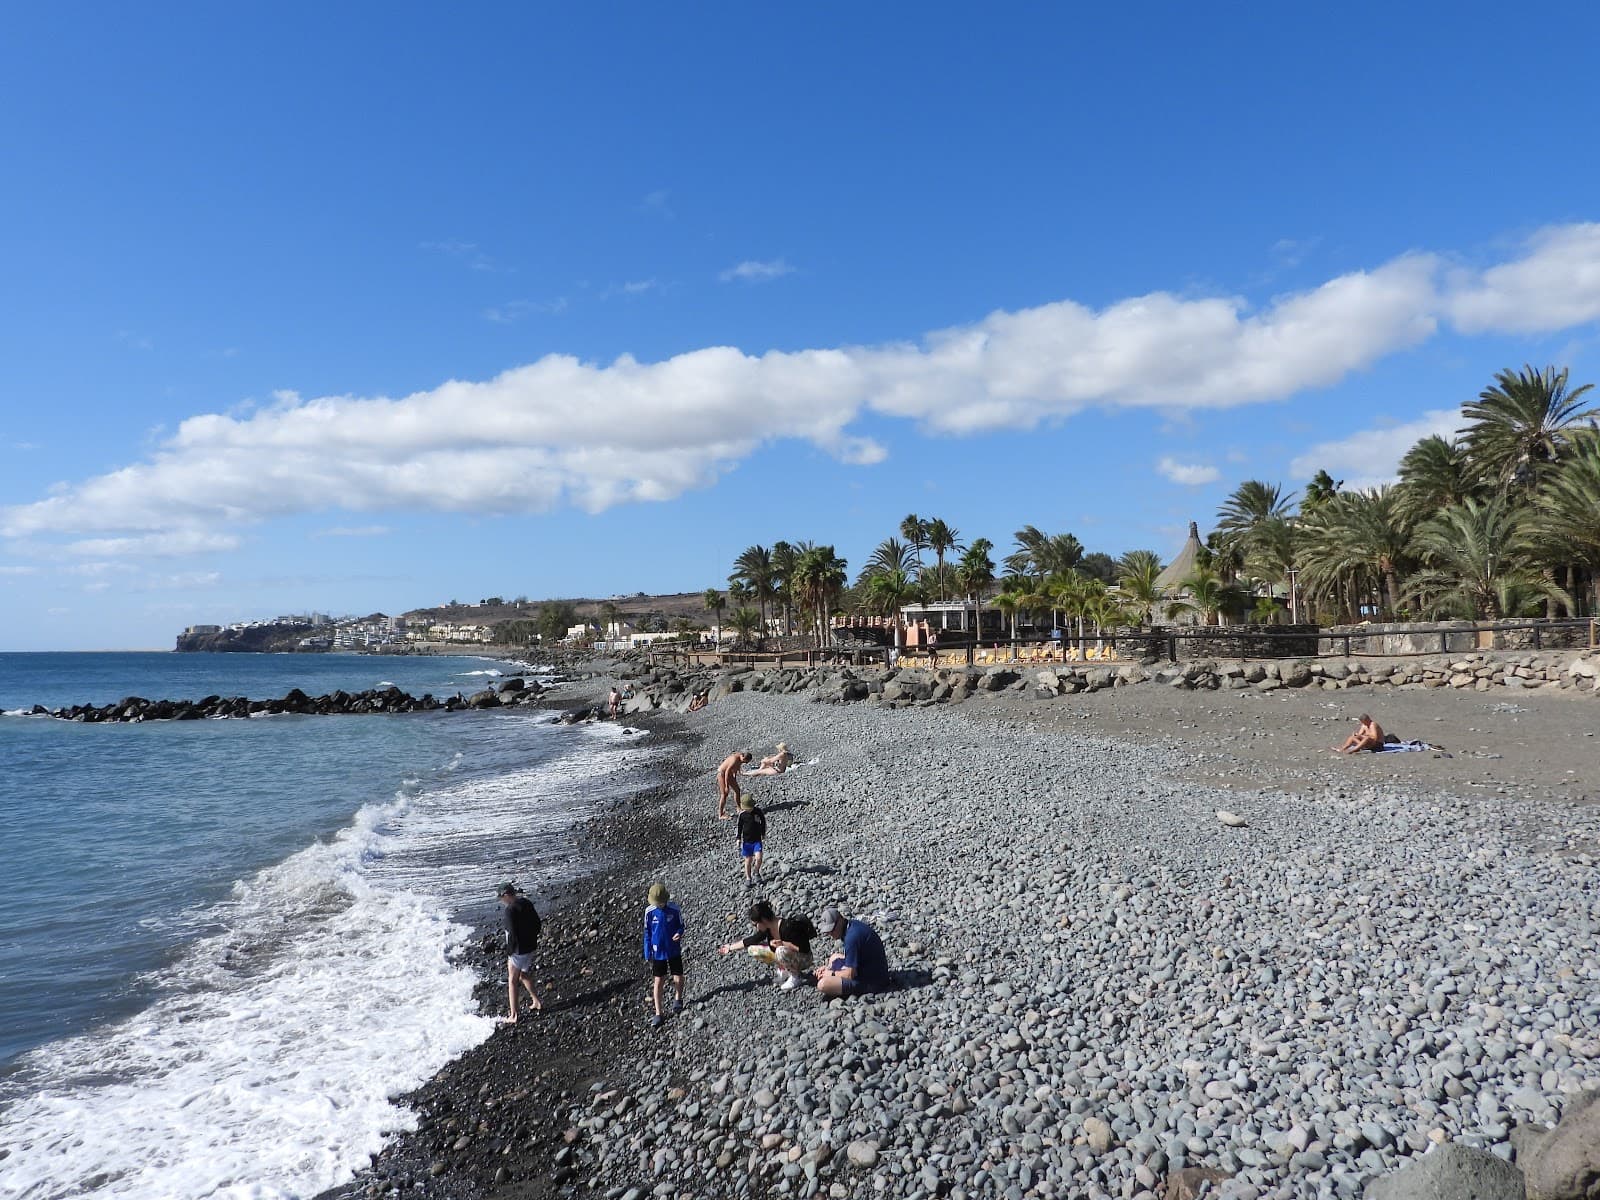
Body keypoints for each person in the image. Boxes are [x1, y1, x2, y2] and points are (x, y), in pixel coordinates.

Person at [717, 899, 815, 990]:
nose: (756, 927)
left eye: (755, 925)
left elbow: (804, 949)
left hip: (804, 959)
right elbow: (751, 940)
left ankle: (796, 976)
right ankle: (786, 969)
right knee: (753, 949)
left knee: (780, 951)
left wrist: (782, 943)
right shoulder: (767, 929)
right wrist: (730, 947)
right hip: (790, 956)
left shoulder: (788, 927)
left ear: (763, 920)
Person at [814, 907, 890, 998]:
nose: (830, 933)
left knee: (822, 985)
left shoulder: (852, 938)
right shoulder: (851, 925)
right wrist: (828, 969)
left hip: (873, 981)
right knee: (834, 957)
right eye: (828, 931)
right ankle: (829, 973)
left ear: (841, 919)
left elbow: (850, 974)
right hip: (867, 966)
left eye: (832, 929)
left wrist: (831, 974)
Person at [496, 882, 543, 1023]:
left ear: (506, 895)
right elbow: (537, 924)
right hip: (530, 946)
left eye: (501, 898)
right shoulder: (526, 902)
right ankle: (537, 1002)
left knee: (512, 980)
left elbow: (512, 933)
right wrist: (532, 938)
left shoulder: (510, 910)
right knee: (523, 974)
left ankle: (514, 1015)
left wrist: (510, 952)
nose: (501, 901)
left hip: (518, 950)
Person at [642, 882, 685, 1028]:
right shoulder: (649, 912)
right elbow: (647, 932)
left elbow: (681, 926)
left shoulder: (674, 909)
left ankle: (678, 999)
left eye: (660, 902)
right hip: (657, 950)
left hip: (673, 949)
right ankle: (658, 1013)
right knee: (658, 980)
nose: (658, 905)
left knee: (677, 975)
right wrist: (647, 951)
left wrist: (679, 933)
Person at [735, 794, 767, 885]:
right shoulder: (742, 815)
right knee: (748, 860)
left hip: (757, 840)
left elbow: (763, 822)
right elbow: (740, 827)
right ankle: (748, 878)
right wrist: (738, 838)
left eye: (748, 808)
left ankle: (756, 872)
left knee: (759, 857)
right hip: (747, 842)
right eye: (746, 808)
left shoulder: (758, 812)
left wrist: (763, 833)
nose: (747, 810)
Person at [716, 751, 752, 819]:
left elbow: (736, 767)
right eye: (745, 761)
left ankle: (739, 808)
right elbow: (726, 772)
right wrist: (726, 786)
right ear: (743, 757)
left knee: (737, 790)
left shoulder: (740, 757)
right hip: (722, 774)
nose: (745, 763)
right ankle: (720, 814)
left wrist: (734, 777)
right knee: (724, 794)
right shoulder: (734, 759)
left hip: (729, 775)